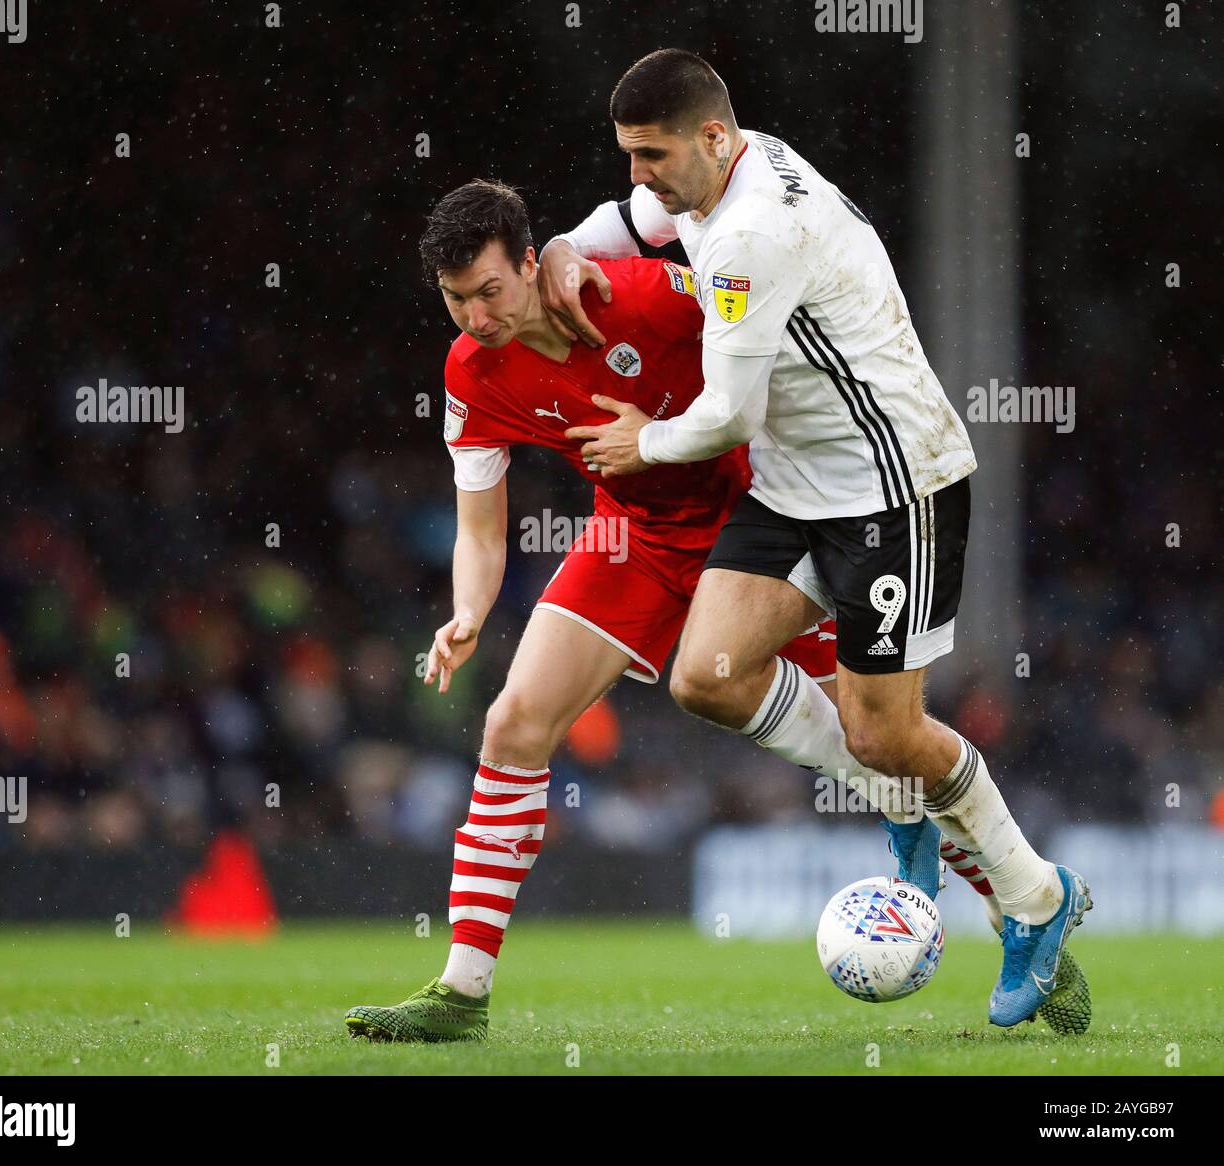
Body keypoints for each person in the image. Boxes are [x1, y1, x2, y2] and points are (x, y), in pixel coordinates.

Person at [538, 49, 1091, 1033]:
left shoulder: (754, 230)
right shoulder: (720, 171)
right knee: (705, 675)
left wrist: (640, 442)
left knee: (885, 726)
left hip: (894, 487)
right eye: (626, 154)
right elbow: (626, 222)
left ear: (711, 139)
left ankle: (1038, 898)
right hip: (800, 488)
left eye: (650, 154)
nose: (639, 176)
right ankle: (895, 793)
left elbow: (724, 416)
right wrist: (565, 250)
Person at [343, 179, 914, 1043]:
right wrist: (466, 611)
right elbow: (481, 531)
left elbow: (774, 338)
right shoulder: (471, 373)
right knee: (512, 724)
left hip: (766, 531)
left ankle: (1021, 902)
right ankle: (461, 992)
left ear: (532, 265)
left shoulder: (639, 297)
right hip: (634, 542)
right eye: (456, 300)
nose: (476, 316)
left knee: (884, 740)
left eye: (490, 292)